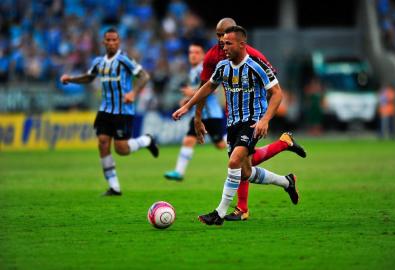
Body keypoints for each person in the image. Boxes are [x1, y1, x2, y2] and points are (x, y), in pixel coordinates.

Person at [173, 26, 300, 226]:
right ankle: (287, 181)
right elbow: (207, 86)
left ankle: (219, 213)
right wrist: (188, 107)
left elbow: (277, 93)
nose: (224, 47)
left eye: (228, 44)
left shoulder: (256, 65)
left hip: (253, 122)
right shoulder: (222, 66)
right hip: (232, 123)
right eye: (222, 44)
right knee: (244, 172)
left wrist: (265, 120)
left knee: (233, 163)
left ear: (242, 44)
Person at [60, 28, 159, 196]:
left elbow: (144, 76)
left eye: (115, 40)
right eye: (109, 40)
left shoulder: (124, 59)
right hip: (105, 110)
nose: (112, 43)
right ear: (103, 42)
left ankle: (146, 140)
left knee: (121, 149)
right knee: (103, 143)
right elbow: (89, 77)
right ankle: (114, 187)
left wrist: (133, 93)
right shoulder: (99, 62)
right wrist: (71, 79)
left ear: (118, 42)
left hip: (123, 110)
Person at [164, 42, 226, 181]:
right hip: (198, 115)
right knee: (188, 140)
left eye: (197, 52)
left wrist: (191, 93)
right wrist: (187, 99)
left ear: (203, 55)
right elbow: (197, 93)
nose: (193, 55)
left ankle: (237, 140)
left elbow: (214, 90)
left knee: (221, 145)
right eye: (191, 52)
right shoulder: (193, 71)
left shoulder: (203, 69)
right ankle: (178, 172)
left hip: (210, 115)